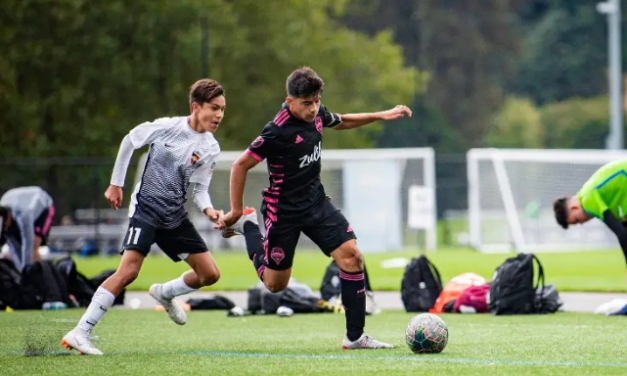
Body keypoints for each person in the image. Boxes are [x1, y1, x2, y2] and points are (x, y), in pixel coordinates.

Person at [219, 67, 411, 349]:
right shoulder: (277, 130)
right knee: (275, 285)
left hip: (316, 202)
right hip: (282, 211)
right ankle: (247, 226)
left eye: (317, 101)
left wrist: (380, 115)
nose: (313, 109)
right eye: (307, 103)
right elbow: (240, 165)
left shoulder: (317, 113)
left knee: (352, 256)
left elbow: (342, 121)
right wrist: (235, 210)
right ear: (290, 100)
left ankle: (355, 337)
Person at [61, 79, 226, 355]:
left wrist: (210, 210)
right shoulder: (167, 127)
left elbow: (201, 190)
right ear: (196, 107)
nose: (219, 115)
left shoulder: (211, 148)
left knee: (210, 274)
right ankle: (81, 332)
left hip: (174, 215)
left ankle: (165, 293)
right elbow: (129, 141)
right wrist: (116, 183)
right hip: (146, 207)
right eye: (214, 108)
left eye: (222, 109)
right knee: (129, 271)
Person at [553, 158, 627, 264]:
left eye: (577, 220)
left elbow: (621, 233)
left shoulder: (588, 201)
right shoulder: (589, 193)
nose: (582, 223)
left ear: (574, 208)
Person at [0, 186, 55, 270]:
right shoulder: (4, 211)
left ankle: (38, 275)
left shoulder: (25, 214)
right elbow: (14, 248)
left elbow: (28, 241)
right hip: (18, 207)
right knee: (14, 242)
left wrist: (27, 270)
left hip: (44, 208)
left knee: (34, 244)